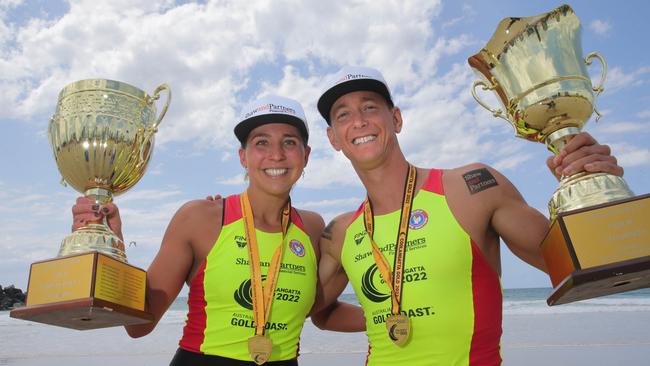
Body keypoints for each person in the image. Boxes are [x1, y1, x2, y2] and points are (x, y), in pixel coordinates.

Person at [310, 65, 625, 365]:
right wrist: (387, 318)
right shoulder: (341, 231)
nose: (359, 121)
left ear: (396, 119)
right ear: (333, 138)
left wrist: (595, 188)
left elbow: (577, 263)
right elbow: (318, 313)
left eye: (369, 107)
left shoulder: (471, 188)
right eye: (343, 115)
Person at [71, 95, 360, 365]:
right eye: (261, 142)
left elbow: (317, 310)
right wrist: (111, 244)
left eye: (289, 142)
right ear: (242, 156)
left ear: (305, 155)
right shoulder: (199, 218)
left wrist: (398, 316)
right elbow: (139, 326)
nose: (276, 155)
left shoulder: (312, 227)